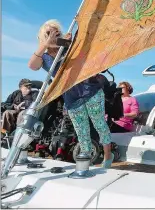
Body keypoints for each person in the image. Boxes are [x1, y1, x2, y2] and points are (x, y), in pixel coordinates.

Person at [28, 19, 113, 168]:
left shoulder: (70, 47)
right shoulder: (45, 57)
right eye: (49, 33)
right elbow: (32, 66)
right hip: (72, 97)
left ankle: (107, 156)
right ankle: (85, 157)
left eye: (56, 32)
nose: (54, 35)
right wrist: (46, 45)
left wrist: (71, 42)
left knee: (99, 124)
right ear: (43, 37)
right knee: (81, 129)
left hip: (90, 89)